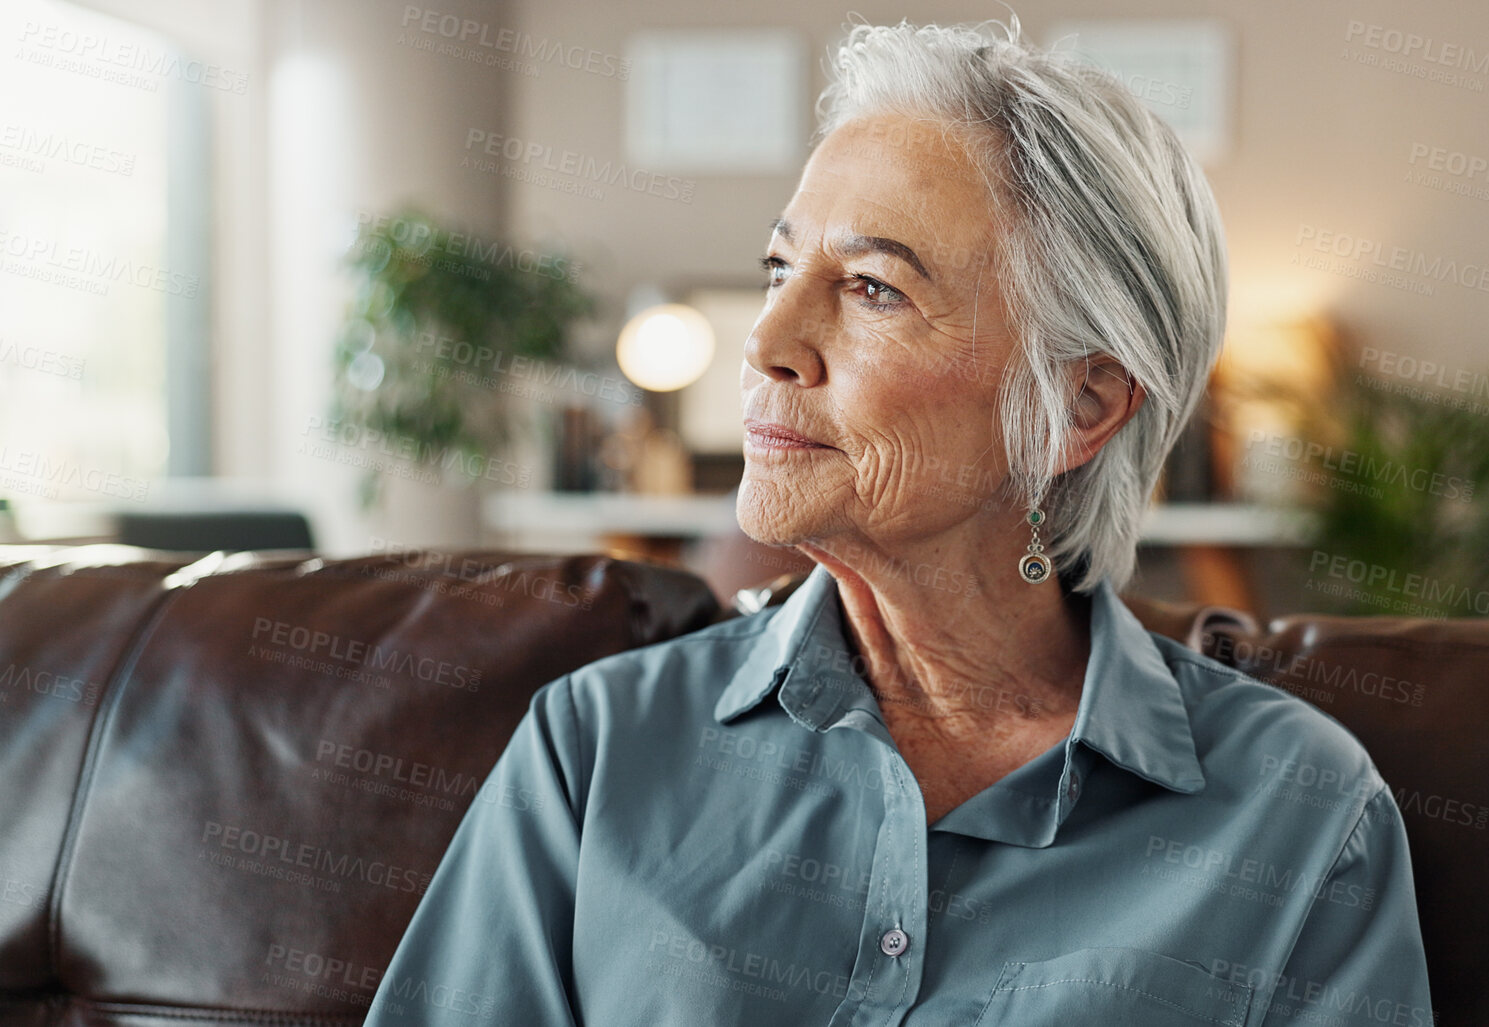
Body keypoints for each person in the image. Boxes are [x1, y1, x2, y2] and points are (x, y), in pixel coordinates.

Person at [366, 17, 1432, 1026]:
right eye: (780, 269)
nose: (768, 338)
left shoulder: (1298, 812)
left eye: (873, 288)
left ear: (1080, 406)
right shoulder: (597, 750)